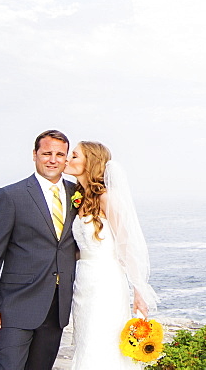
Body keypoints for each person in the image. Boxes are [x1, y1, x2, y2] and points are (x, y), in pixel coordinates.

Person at [0, 130, 79, 370]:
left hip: (57, 309)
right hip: (16, 307)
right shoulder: (11, 196)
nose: (53, 159)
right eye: (46, 153)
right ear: (35, 155)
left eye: (59, 154)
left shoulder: (78, 194)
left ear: (66, 159)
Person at [64, 141, 158, 369]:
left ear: (90, 162)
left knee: (102, 341)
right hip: (83, 281)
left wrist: (139, 290)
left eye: (74, 156)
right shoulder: (79, 198)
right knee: (86, 340)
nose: (68, 159)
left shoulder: (107, 199)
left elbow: (128, 245)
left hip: (106, 281)